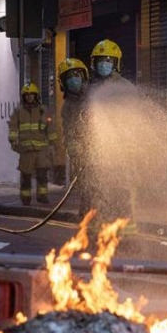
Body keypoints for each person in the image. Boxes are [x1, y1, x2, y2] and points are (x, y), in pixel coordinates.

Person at [88, 39, 138, 235]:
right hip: (98, 155)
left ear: (116, 63)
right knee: (99, 194)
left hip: (123, 154)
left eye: (108, 60)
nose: (103, 64)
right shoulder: (90, 89)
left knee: (122, 193)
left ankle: (127, 233)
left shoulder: (126, 89)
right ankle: (101, 233)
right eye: (100, 60)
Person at [8, 82, 58, 206]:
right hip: (26, 150)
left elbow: (50, 127)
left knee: (42, 174)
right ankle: (26, 199)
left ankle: (42, 197)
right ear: (23, 96)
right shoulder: (18, 111)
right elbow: (13, 126)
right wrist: (13, 141)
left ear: (36, 96)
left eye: (32, 94)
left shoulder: (43, 110)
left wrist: (53, 144)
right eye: (27, 95)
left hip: (41, 149)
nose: (29, 97)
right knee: (26, 176)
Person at [58, 58, 91, 216]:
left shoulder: (95, 95)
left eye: (76, 75)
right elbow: (68, 132)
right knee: (87, 191)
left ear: (83, 76)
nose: (73, 80)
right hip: (82, 156)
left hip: (102, 153)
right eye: (68, 78)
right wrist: (73, 148)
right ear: (63, 83)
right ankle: (89, 225)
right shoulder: (68, 108)